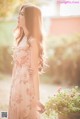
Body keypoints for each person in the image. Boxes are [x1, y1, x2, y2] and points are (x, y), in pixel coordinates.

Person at [8, 3, 48, 119]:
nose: (18, 17)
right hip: (15, 85)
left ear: (30, 18)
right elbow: (16, 67)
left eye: (22, 14)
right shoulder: (21, 39)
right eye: (19, 14)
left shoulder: (33, 41)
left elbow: (34, 72)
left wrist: (37, 99)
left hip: (26, 88)